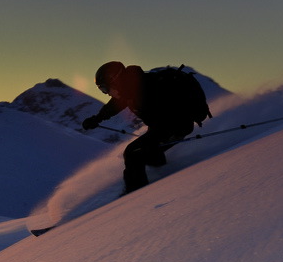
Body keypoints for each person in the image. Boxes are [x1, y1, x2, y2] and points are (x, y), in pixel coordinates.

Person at [82, 61, 209, 193]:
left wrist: (155, 135)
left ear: (115, 80)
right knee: (149, 153)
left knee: (133, 153)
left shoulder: (145, 86)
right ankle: (165, 173)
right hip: (163, 127)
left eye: (105, 88)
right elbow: (114, 106)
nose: (107, 93)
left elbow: (169, 113)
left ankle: (136, 194)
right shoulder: (129, 89)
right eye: (102, 90)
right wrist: (96, 119)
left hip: (176, 126)